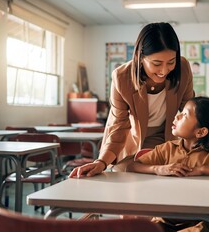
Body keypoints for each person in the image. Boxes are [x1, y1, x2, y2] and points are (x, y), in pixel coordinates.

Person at [69, 22, 195, 178]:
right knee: (128, 179)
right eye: (156, 63)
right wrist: (101, 162)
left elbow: (191, 110)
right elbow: (119, 127)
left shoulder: (182, 68)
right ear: (139, 57)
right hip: (132, 140)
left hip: (168, 137)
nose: (164, 71)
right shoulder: (122, 78)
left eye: (170, 62)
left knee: (173, 176)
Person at [127, 96, 209, 232]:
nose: (177, 117)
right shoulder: (167, 149)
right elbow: (132, 167)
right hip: (167, 217)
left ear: (201, 132)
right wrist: (158, 169)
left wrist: (201, 170)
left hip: (203, 220)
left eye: (185, 115)